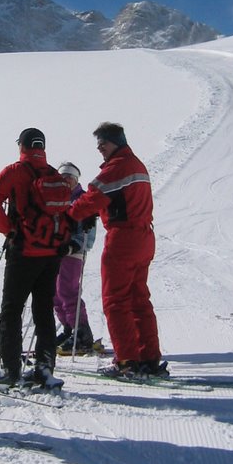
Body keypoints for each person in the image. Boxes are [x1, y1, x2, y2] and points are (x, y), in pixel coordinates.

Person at [68, 122, 166, 378]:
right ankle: (149, 357)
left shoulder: (117, 167)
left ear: (117, 142)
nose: (100, 149)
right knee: (138, 299)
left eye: (104, 143)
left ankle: (127, 361)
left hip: (124, 239)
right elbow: (119, 199)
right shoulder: (137, 165)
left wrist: (70, 214)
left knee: (116, 300)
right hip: (144, 236)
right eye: (98, 144)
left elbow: (93, 197)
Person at [0, 127, 68, 389]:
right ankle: (45, 368)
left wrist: (9, 230)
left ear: (22, 146)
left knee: (11, 311)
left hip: (24, 252)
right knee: (43, 311)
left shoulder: (15, 172)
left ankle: (10, 370)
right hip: (52, 253)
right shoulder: (53, 173)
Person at [52, 161, 101, 355]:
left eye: (69, 178)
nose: (66, 181)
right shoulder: (56, 199)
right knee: (54, 293)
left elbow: (89, 231)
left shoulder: (80, 199)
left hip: (74, 252)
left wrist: (76, 244)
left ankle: (82, 332)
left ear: (76, 180)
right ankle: (68, 328)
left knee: (67, 290)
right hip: (56, 251)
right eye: (63, 178)